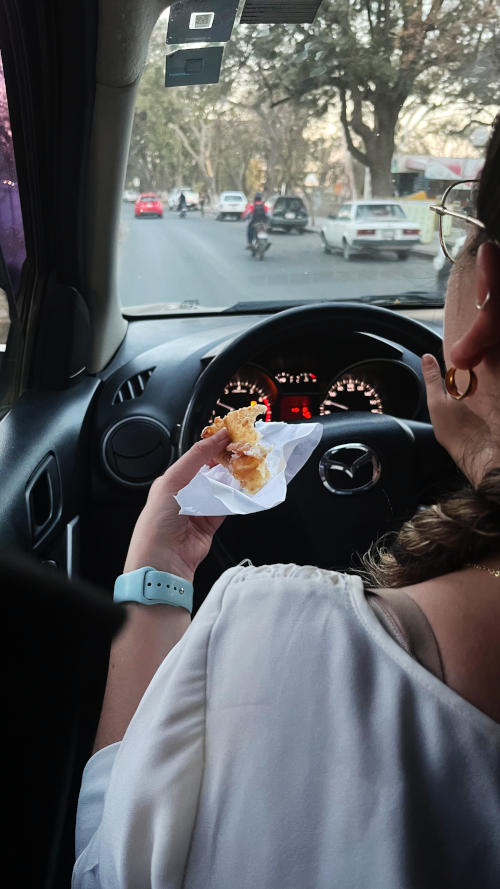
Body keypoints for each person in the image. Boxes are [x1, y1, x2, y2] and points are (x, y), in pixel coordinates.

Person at [73, 118, 500, 889]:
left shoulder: (274, 638)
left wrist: (158, 575)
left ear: (490, 293)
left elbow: (111, 865)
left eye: (459, 231)